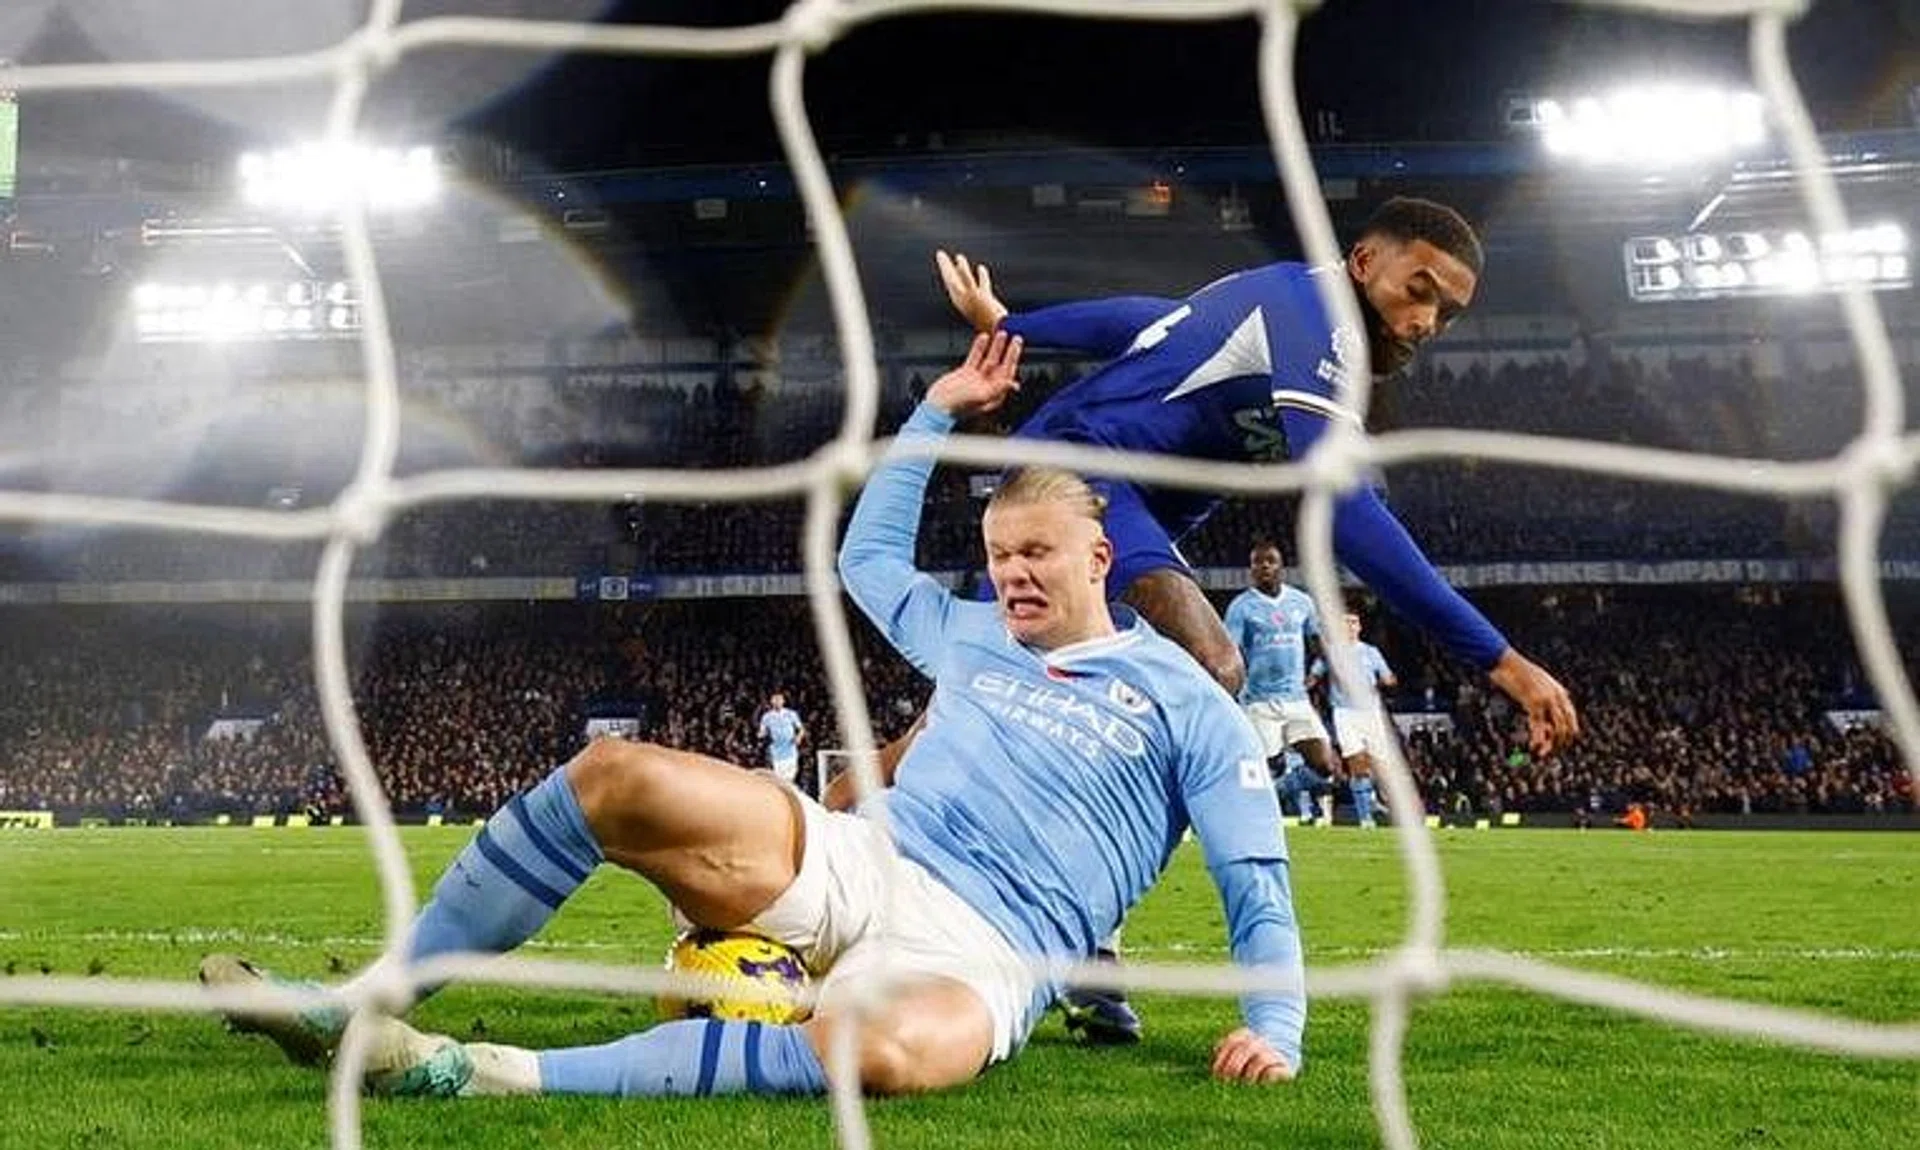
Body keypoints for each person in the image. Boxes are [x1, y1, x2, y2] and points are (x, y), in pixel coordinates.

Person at [201, 331, 1307, 1100]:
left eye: (1037, 556)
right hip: (862, 858)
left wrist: (1276, 1027)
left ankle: (465, 1069)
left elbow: (1256, 884)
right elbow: (865, 556)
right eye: (999, 555)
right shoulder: (971, 632)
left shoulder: (1181, 698)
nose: (1013, 575)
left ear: (1101, 558)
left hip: (988, 948)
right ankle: (364, 1002)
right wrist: (933, 412)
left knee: (881, 1052)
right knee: (613, 775)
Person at [928, 196, 1578, 1038]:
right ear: (1363, 264)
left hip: (1110, 505)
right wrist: (1499, 659)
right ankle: (1080, 924)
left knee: (965, 721)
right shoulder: (1320, 322)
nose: (1424, 322)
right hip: (1075, 481)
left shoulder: (1280, 313)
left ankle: (852, 841)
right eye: (1417, 290)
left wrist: (1017, 321)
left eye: (1446, 313)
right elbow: (1341, 510)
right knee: (1207, 668)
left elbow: (1148, 322)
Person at [1224, 539, 1338, 786]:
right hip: (1259, 703)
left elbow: (1318, 642)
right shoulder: (1241, 607)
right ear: (1251, 568)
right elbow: (1231, 652)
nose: (1264, 566)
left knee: (1326, 767)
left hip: (1296, 700)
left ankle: (1286, 785)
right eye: (1257, 562)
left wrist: (1324, 671)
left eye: (1270, 561)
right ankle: (1265, 791)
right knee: (1263, 773)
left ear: (1281, 566)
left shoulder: (1302, 602)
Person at [1308, 612, 1399, 827]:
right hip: (1344, 712)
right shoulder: (1331, 653)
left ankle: (1373, 799)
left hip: (1370, 711)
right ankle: (1365, 816)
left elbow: (1389, 677)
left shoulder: (1371, 652)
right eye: (1346, 622)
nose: (1350, 626)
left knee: (1379, 763)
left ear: (1359, 627)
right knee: (1356, 761)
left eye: (1354, 622)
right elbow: (1314, 676)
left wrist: (1387, 681)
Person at [757, 691, 807, 785]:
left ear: (783, 701)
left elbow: (801, 729)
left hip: (790, 748)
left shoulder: (791, 714)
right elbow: (762, 731)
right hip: (777, 750)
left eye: (779, 699)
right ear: (771, 701)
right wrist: (761, 734)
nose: (777, 702)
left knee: (791, 776)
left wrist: (798, 737)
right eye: (775, 700)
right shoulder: (767, 717)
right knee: (780, 778)